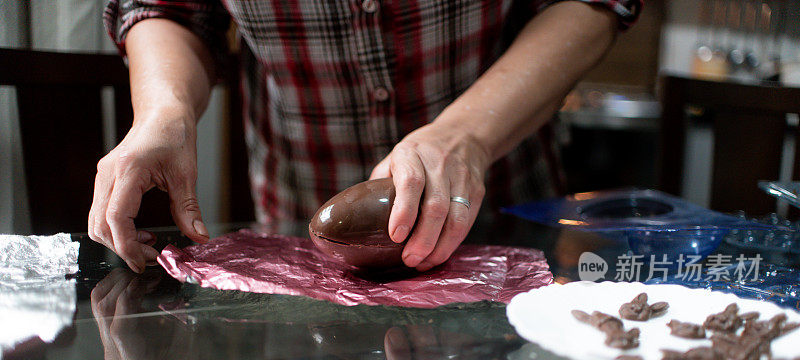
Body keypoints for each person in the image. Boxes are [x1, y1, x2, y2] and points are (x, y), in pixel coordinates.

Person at [92, 0, 640, 274]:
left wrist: (466, 134)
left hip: (505, 220)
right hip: (296, 232)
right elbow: (170, 8)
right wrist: (164, 111)